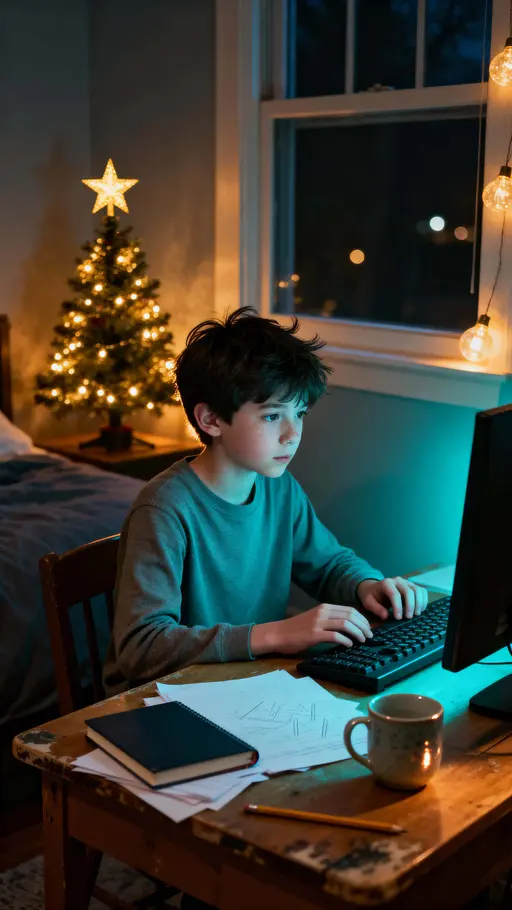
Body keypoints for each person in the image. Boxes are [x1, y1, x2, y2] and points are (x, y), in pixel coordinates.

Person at [103, 307, 426, 699]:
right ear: (211, 420)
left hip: (249, 683)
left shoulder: (278, 488)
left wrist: (367, 586)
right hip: (163, 701)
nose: (292, 434)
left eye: (300, 414)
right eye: (273, 415)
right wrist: (276, 634)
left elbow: (327, 563)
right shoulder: (163, 509)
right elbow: (143, 648)